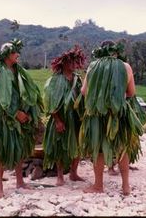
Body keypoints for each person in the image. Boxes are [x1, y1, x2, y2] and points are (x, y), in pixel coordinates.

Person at [0, 39, 43, 198]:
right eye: (15, 52)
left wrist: (26, 111)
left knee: (19, 147)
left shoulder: (17, 70)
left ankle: (20, 181)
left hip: (20, 115)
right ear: (7, 54)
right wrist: (15, 113)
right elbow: (1, 98)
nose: (18, 55)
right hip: (3, 117)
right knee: (0, 149)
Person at [79, 40, 143, 196]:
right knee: (122, 149)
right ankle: (125, 186)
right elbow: (131, 93)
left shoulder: (93, 66)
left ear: (100, 51)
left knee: (99, 149)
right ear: (115, 51)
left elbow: (84, 91)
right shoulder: (125, 67)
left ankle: (99, 185)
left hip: (97, 114)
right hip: (118, 113)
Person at [42, 45, 86, 186]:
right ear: (64, 63)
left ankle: (73, 173)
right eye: (71, 62)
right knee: (59, 145)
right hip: (60, 117)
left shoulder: (77, 79)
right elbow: (50, 102)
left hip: (75, 118)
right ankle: (60, 176)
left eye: (76, 62)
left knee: (77, 145)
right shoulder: (55, 80)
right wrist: (57, 120)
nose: (74, 65)